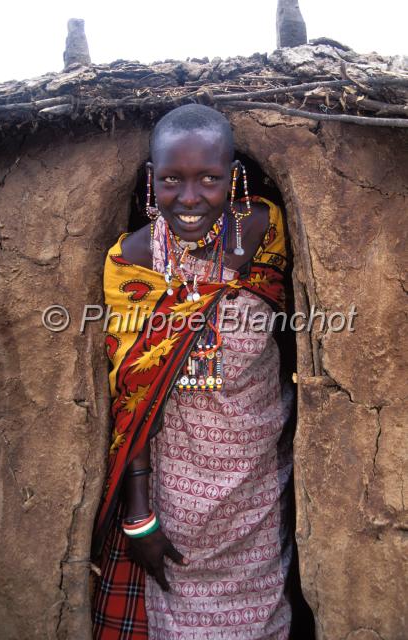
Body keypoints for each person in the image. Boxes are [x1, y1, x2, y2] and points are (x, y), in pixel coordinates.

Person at [92, 104, 295, 640]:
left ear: (234, 176)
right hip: (174, 486)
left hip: (258, 478)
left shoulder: (262, 228)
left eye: (209, 178)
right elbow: (131, 393)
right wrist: (140, 517)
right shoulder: (130, 262)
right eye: (171, 180)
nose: (189, 198)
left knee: (262, 613)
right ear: (150, 181)